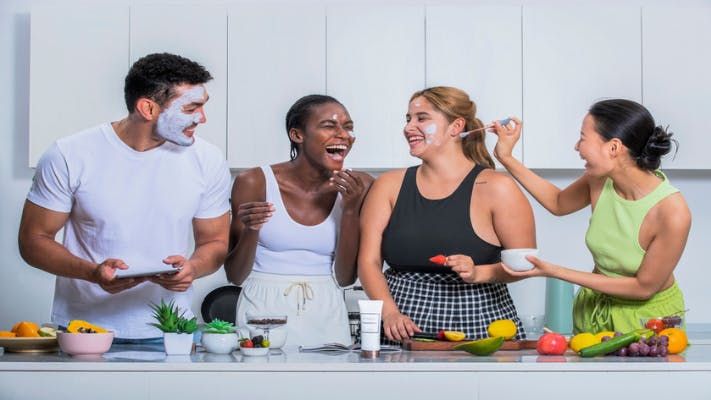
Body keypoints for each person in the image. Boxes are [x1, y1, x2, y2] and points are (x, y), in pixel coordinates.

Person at [18, 53, 231, 341]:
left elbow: (215, 242)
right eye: (191, 108)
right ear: (148, 108)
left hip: (174, 333)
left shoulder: (208, 158)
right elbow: (33, 241)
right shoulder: (69, 154)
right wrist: (92, 272)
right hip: (84, 331)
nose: (202, 118)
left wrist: (192, 268)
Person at [493, 99, 690, 334]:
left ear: (614, 147)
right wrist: (506, 157)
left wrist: (553, 271)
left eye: (583, 138)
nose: (577, 147)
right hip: (594, 311)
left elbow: (643, 288)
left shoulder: (672, 212)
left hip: (649, 320)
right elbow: (557, 203)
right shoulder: (600, 180)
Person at [357, 86, 536, 343]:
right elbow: (368, 262)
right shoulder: (388, 185)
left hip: (481, 325)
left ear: (456, 127)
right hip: (400, 328)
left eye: (422, 118)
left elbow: (525, 266)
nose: (408, 128)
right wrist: (390, 314)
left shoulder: (498, 188)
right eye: (407, 119)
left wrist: (479, 273)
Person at [224, 94, 373, 346]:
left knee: (329, 384)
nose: (343, 134)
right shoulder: (255, 181)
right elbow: (235, 276)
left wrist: (349, 210)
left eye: (348, 127)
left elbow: (346, 278)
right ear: (297, 135)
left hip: (327, 308)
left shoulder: (361, 186)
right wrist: (252, 230)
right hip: (263, 306)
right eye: (329, 125)